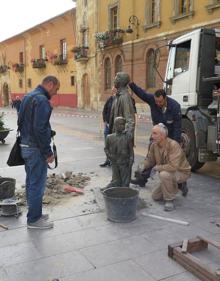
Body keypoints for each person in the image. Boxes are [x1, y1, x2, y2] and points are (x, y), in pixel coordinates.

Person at [19, 75, 60, 229]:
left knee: (31, 182)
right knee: (37, 184)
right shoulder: (42, 100)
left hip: (25, 146)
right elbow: (40, 129)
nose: (55, 93)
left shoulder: (28, 96)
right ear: (50, 84)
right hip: (35, 149)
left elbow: (25, 121)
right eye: (56, 89)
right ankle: (34, 220)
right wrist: (48, 152)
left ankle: (34, 213)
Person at [129, 83, 185, 193]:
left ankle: (181, 183)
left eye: (160, 102)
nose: (158, 104)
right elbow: (141, 93)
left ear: (165, 99)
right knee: (151, 156)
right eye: (156, 101)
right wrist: (131, 84)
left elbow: (178, 127)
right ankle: (142, 179)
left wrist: (176, 143)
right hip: (157, 134)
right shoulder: (152, 100)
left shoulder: (175, 107)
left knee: (172, 160)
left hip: (170, 136)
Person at [141, 123, 191, 211]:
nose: (152, 136)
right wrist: (142, 165)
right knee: (155, 196)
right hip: (169, 172)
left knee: (164, 175)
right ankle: (174, 186)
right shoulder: (154, 145)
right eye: (152, 133)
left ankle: (169, 200)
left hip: (181, 172)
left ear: (163, 135)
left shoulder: (173, 145)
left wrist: (157, 168)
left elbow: (173, 166)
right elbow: (150, 160)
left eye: (155, 133)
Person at [103, 117, 134, 189]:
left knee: (125, 183)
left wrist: (131, 160)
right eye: (120, 124)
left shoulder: (127, 137)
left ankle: (124, 190)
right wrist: (109, 156)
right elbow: (106, 149)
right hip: (114, 162)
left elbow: (131, 151)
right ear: (115, 125)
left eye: (123, 124)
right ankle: (113, 186)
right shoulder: (109, 137)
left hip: (124, 163)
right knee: (116, 180)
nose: (122, 126)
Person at [109, 72, 135, 141]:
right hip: (115, 136)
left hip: (121, 139)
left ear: (121, 82)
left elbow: (130, 120)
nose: (114, 80)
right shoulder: (117, 96)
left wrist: (127, 139)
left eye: (116, 78)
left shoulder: (125, 97)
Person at [99, 87, 116, 167]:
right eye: (112, 91)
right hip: (108, 125)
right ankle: (107, 160)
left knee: (115, 144)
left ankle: (114, 161)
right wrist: (105, 121)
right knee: (107, 144)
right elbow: (104, 110)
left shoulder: (120, 100)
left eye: (114, 91)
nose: (113, 92)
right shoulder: (110, 99)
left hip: (115, 126)